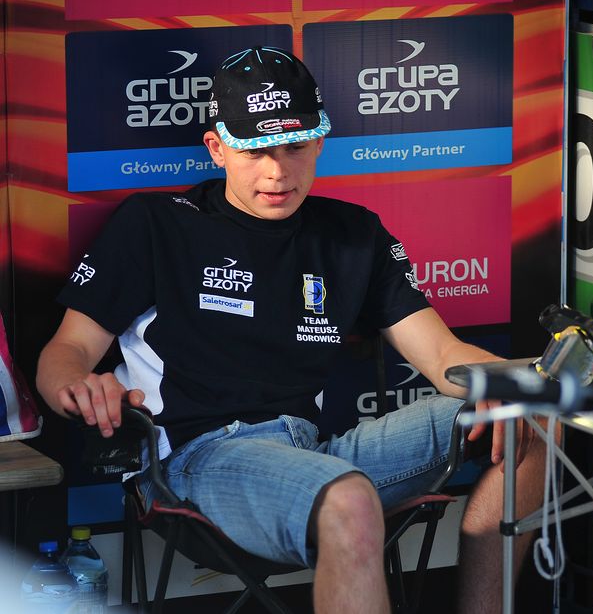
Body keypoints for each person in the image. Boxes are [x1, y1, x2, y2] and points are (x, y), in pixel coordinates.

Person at [36, 46, 548, 614]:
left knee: (533, 417)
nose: (277, 172)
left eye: (295, 147)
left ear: (320, 143)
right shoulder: (155, 223)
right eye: (255, 150)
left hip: (314, 455)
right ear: (217, 148)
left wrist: (521, 381)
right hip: (195, 463)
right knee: (348, 501)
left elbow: (442, 353)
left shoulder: (353, 234)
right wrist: (79, 385)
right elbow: (67, 350)